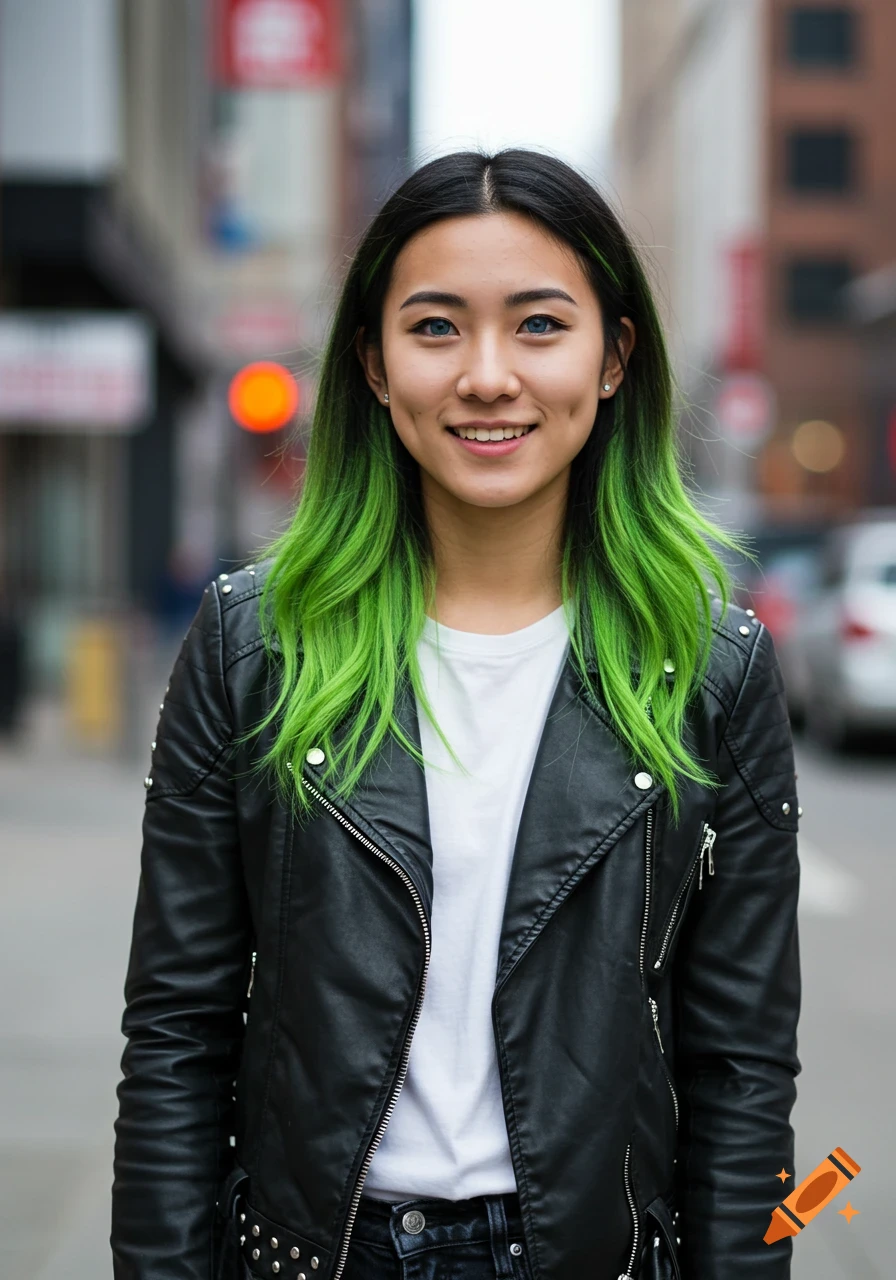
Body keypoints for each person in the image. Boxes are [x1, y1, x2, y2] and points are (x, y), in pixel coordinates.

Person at [111, 150, 802, 1280]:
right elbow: (176, 1036)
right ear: (374, 366)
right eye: (434, 328)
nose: (487, 375)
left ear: (615, 356)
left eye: (538, 326)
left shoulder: (710, 670)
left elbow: (739, 1071)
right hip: (315, 1254)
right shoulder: (251, 648)